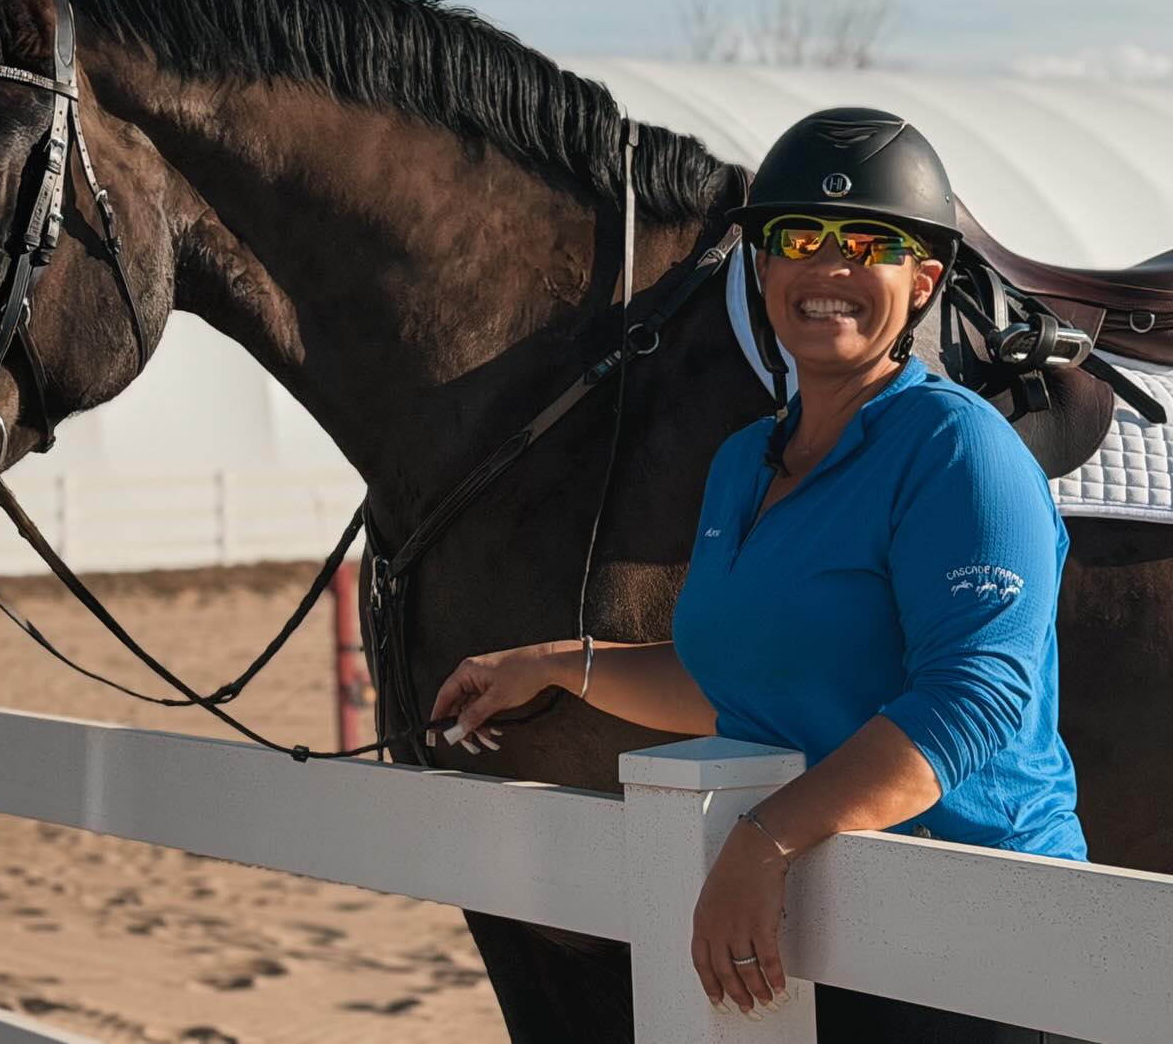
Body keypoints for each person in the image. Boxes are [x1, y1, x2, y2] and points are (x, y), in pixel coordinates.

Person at [431, 107, 1085, 1044]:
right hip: (823, 926)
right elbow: (734, 682)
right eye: (798, 237)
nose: (829, 266)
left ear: (924, 280)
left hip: (976, 937)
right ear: (763, 266)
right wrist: (550, 664)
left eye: (869, 242)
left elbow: (972, 709)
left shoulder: (959, 449)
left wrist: (765, 837)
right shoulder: (743, 460)